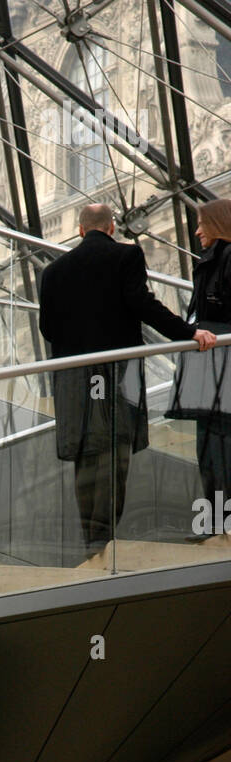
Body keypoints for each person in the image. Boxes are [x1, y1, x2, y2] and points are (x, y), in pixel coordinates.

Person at [39, 202, 216, 557]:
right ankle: (104, 538)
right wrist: (188, 332)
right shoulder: (127, 256)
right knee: (115, 450)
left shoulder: (53, 271)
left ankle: (91, 539)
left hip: (73, 379)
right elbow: (142, 304)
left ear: (79, 230)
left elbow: (48, 328)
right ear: (112, 228)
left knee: (85, 453)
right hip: (117, 372)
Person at [166, 198, 231, 535]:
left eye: (202, 223)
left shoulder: (223, 260)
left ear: (218, 224)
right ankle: (216, 520)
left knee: (217, 446)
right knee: (210, 446)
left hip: (221, 369)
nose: (196, 231)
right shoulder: (210, 262)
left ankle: (219, 521)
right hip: (214, 369)